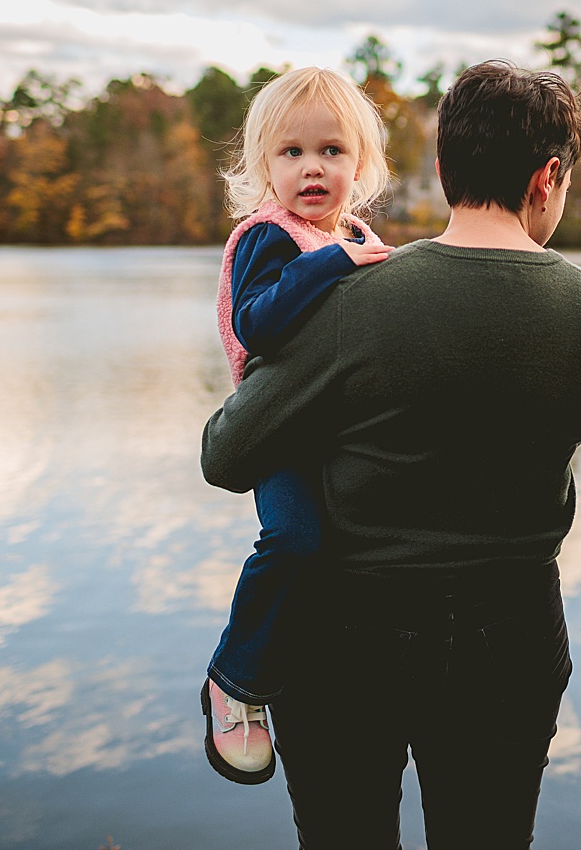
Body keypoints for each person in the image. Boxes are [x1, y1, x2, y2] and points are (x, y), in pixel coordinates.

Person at [201, 61, 581, 848]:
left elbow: (227, 455)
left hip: (347, 641)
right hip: (512, 640)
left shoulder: (355, 291)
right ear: (550, 175)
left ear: (442, 167)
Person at [204, 66, 393, 785]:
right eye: (291, 153)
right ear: (262, 168)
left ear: (361, 165)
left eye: (331, 151)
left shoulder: (356, 237)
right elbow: (261, 321)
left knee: (349, 547)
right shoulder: (270, 237)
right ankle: (235, 679)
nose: (312, 167)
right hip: (281, 434)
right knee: (294, 537)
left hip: (342, 433)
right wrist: (333, 265)